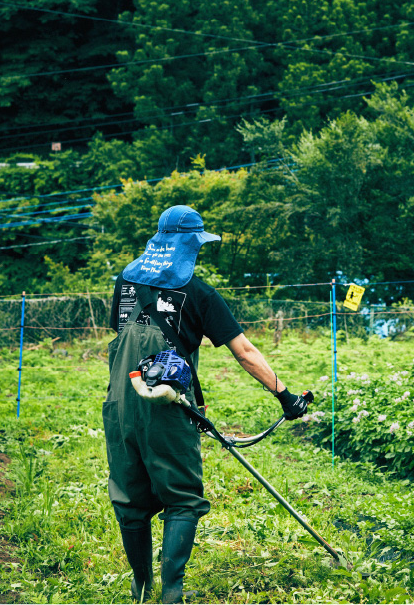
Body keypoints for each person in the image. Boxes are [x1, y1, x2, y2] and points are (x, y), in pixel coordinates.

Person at [103, 204, 309, 604]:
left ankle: (141, 587)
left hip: (120, 404)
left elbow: (119, 334)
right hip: (167, 407)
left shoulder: (126, 283)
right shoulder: (197, 292)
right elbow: (245, 352)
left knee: (130, 498)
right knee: (181, 499)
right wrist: (285, 396)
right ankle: (172, 593)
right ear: (190, 245)